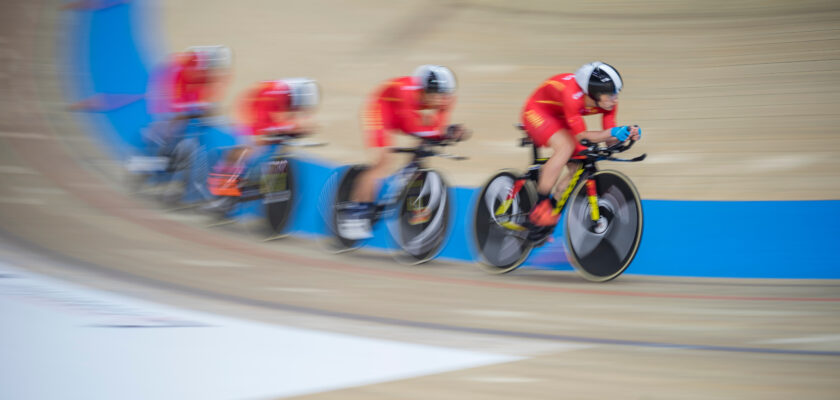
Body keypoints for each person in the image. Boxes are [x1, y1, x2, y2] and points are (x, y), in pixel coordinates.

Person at [338, 65, 468, 239]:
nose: (439, 100)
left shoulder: (447, 99)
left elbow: (438, 126)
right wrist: (441, 133)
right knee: (383, 162)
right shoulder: (407, 91)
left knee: (425, 142)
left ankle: (410, 175)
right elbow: (416, 126)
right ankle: (355, 212)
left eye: (443, 95)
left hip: (403, 113)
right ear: (422, 90)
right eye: (435, 94)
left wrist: (447, 132)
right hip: (380, 110)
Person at [520, 61, 641, 230]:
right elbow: (583, 136)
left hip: (562, 116)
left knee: (581, 160)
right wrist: (614, 132)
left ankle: (551, 213)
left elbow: (609, 139)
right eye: (611, 94)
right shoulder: (572, 95)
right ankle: (541, 207)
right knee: (566, 147)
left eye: (617, 93)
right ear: (595, 94)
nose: (616, 99)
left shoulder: (609, 103)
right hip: (537, 110)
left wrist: (626, 134)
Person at [207, 78, 320, 198]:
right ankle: (224, 188)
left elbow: (292, 120)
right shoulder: (274, 95)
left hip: (264, 112)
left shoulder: (292, 96)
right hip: (250, 112)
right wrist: (289, 128)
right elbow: (262, 126)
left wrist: (294, 128)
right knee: (252, 148)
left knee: (278, 147)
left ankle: (271, 187)